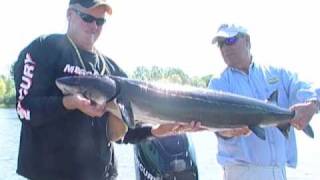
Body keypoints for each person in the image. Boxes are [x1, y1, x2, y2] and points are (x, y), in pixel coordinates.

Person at [13, 0, 201, 180]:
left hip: (101, 175)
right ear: (69, 14)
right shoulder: (43, 48)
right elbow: (25, 109)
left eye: (100, 21)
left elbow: (122, 132)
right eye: (87, 18)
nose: (94, 26)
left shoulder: (112, 71)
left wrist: (156, 131)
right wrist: (68, 103)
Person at [208, 24, 319, 180]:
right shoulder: (218, 84)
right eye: (221, 43)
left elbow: (308, 89)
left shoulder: (278, 73)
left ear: (247, 40)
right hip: (241, 173)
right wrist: (229, 131)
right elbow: (217, 128)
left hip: (279, 172)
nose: (225, 47)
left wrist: (312, 104)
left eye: (230, 40)